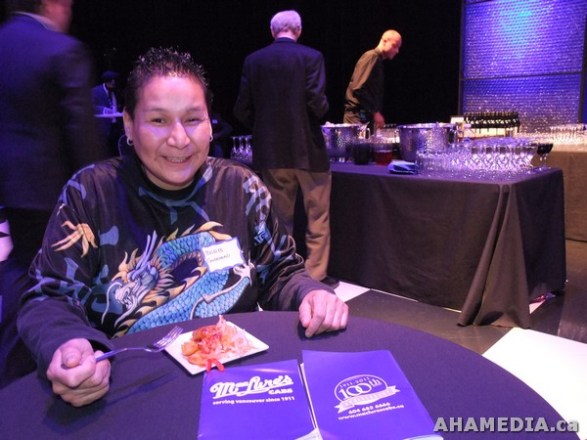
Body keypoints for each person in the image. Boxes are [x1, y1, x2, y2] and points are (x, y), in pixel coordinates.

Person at [17, 47, 349, 407]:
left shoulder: (241, 187)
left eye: (193, 119)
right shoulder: (91, 193)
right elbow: (48, 297)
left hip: (233, 386)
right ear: (129, 124)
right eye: (159, 120)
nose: (179, 139)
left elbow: (280, 272)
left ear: (210, 124)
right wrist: (70, 344)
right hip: (130, 392)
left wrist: (309, 294)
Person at [0, 0, 109, 388]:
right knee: (64, 278)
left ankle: (13, 371)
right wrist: (98, 192)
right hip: (55, 192)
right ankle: (72, 359)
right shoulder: (62, 50)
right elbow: (81, 133)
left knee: (21, 270)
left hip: (14, 189)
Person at [234, 10, 338, 287]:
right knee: (318, 215)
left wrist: (264, 129)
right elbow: (317, 102)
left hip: (271, 152)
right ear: (299, 30)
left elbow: (242, 108)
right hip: (309, 150)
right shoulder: (312, 57)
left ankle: (286, 275)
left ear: (272, 31)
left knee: (280, 219)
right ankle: (316, 275)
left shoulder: (254, 60)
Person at [343, 30, 402, 131]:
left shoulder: (377, 60)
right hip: (357, 118)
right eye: (394, 46)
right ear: (384, 41)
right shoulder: (371, 57)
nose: (397, 51)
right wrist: (375, 112)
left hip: (364, 117)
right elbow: (358, 88)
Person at [92, 70, 124, 155]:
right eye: (111, 81)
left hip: (116, 126)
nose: (113, 83)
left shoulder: (117, 91)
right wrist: (104, 110)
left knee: (117, 149)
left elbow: (120, 105)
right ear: (107, 81)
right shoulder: (96, 91)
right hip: (104, 127)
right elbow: (91, 106)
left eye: (115, 81)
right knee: (106, 151)